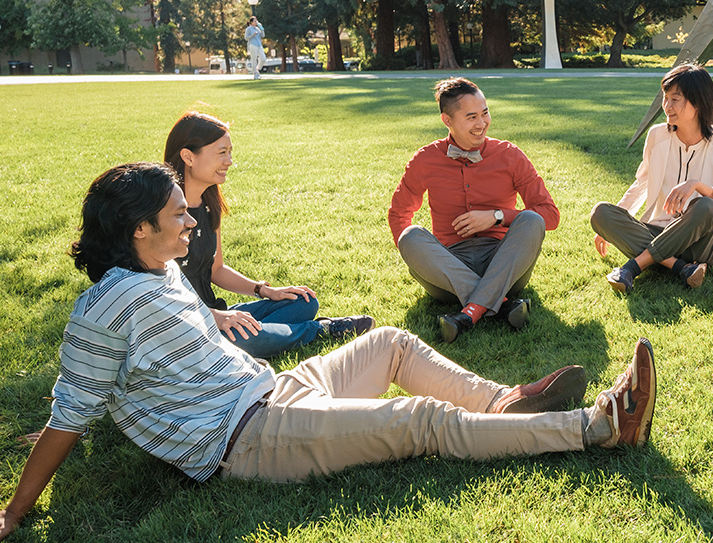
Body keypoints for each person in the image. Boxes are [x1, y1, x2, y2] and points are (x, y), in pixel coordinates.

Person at [0, 163, 657, 541]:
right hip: (245, 440)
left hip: (273, 392)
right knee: (418, 420)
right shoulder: (103, 309)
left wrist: (234, 307)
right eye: (178, 215)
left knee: (395, 344)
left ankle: (504, 405)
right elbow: (71, 410)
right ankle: (599, 427)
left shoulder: (162, 271)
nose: (191, 221)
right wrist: (13, 512)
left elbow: (176, 333)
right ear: (139, 229)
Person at [162, 111, 373, 358]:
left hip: (218, 314)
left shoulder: (211, 203)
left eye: (230, 152)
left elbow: (215, 270)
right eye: (221, 152)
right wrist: (215, 317)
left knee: (303, 302)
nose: (229, 161)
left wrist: (264, 290)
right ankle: (319, 330)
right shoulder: (164, 210)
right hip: (185, 325)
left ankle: (271, 333)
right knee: (244, 340)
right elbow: (158, 295)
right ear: (188, 156)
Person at [390, 78, 560, 341]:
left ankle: (470, 312)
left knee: (531, 219)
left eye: (485, 113)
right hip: (449, 272)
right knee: (410, 236)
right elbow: (399, 214)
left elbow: (549, 214)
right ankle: (501, 304)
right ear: (447, 120)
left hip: (505, 264)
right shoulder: (425, 159)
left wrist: (497, 216)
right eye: (471, 117)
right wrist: (420, 258)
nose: (482, 123)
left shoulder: (510, 155)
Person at [590, 64, 713, 293]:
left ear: (698, 102)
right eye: (665, 97)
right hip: (658, 231)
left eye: (675, 99)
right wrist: (613, 221)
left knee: (706, 206)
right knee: (601, 212)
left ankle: (634, 266)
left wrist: (697, 185)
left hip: (703, 244)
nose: (666, 106)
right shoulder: (657, 135)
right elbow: (641, 184)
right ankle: (681, 268)